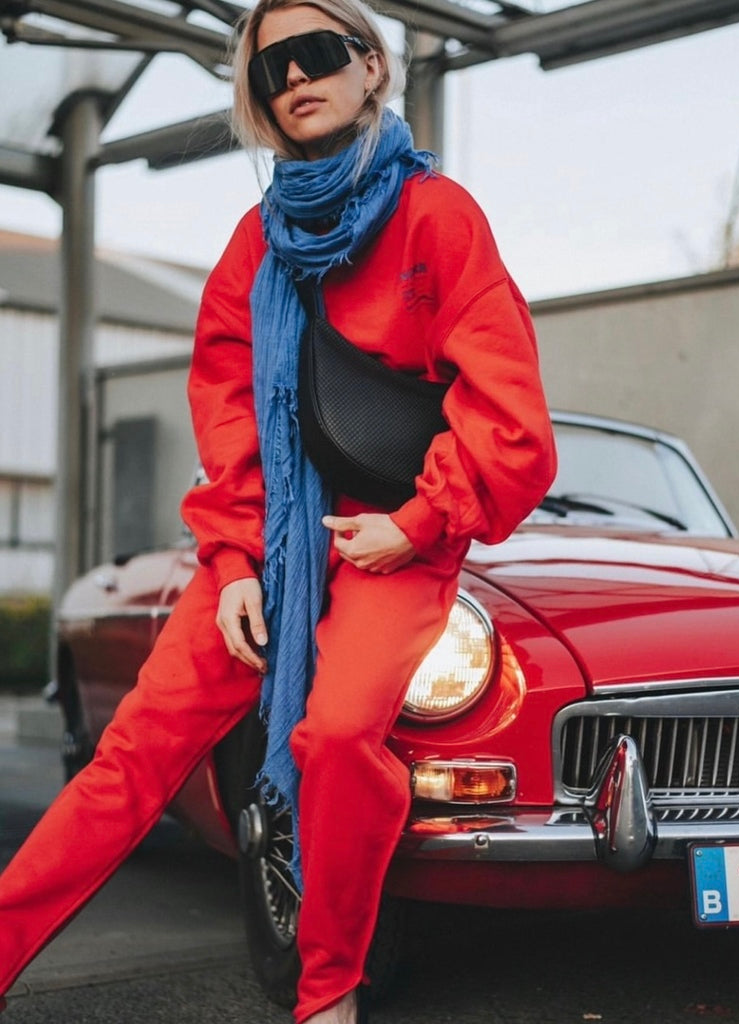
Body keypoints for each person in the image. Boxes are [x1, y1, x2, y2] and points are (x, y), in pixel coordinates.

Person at [0, 0, 556, 1021]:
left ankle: (328, 987)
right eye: (269, 68)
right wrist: (231, 563)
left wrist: (416, 524)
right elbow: (226, 413)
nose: (293, 77)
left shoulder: (437, 218)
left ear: (371, 64)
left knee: (337, 738)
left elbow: (509, 420)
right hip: (268, 547)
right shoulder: (254, 244)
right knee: (133, 755)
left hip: (395, 539)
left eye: (315, 53)